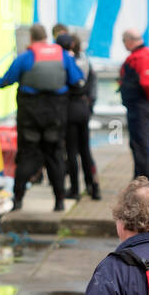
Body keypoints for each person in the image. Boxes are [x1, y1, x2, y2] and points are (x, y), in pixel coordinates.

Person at [0, 24, 82, 212]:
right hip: (56, 116)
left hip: (30, 117)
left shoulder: (25, 58)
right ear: (47, 38)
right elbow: (77, 80)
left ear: (31, 39)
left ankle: (18, 201)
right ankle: (59, 202)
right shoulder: (63, 56)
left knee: (26, 157)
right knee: (55, 158)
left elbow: (4, 82)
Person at [117, 28, 149, 181]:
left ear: (129, 41)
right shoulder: (141, 55)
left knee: (142, 147)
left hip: (141, 107)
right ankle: (138, 180)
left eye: (123, 42)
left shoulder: (142, 57)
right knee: (136, 145)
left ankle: (145, 184)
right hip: (137, 106)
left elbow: (146, 83)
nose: (124, 45)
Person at [58, 32, 100, 200]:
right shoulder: (85, 61)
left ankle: (74, 189)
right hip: (84, 108)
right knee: (86, 152)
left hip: (70, 109)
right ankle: (94, 187)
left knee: (71, 151)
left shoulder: (64, 62)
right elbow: (91, 84)